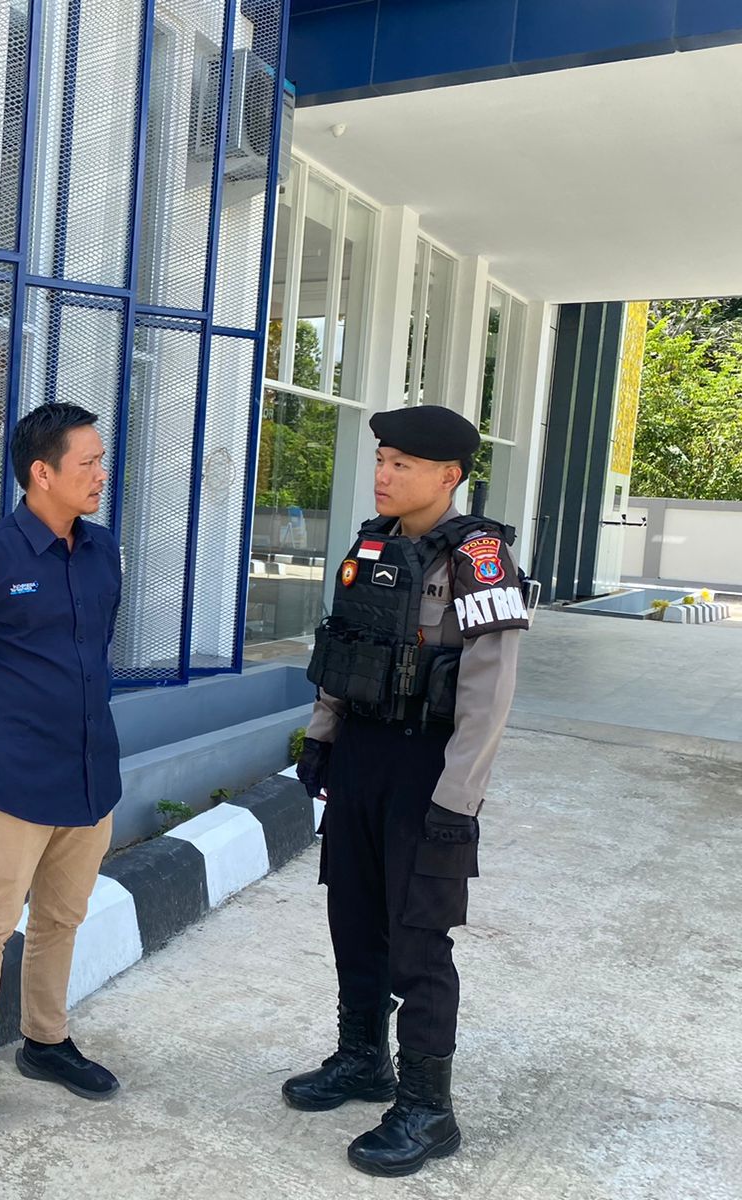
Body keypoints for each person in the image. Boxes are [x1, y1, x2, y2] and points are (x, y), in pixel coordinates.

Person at [287, 404, 530, 1177]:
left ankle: (429, 1109)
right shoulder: (371, 543)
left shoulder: (479, 559)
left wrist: (457, 802)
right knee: (354, 915)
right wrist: (322, 737)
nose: (383, 475)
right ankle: (363, 1058)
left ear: (449, 475)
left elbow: (489, 693)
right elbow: (343, 647)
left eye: (402, 464)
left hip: (429, 766)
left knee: (420, 937)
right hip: (362, 755)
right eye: (381, 460)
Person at [0, 402, 124, 1154]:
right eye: (87, 462)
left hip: (90, 771)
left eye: (101, 460)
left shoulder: (102, 551)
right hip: (11, 777)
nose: (101, 474)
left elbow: (95, 649)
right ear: (42, 472)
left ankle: (45, 1039)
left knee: (61, 918)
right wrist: (7, 717)